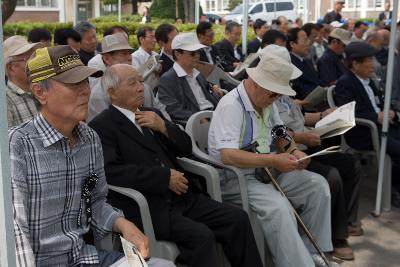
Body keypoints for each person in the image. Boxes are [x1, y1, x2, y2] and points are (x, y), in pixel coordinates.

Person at [11, 45, 174, 267]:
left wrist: (121, 223)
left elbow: (94, 202)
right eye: (73, 83)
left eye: (85, 82)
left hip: (84, 258)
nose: (85, 91)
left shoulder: (89, 137)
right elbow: (15, 230)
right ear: (40, 92)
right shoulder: (17, 145)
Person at [88, 63, 264, 267]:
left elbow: (186, 147)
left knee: (237, 218)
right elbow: (111, 172)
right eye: (132, 83)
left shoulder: (151, 114)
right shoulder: (102, 126)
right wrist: (163, 178)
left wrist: (163, 126)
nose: (141, 88)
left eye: (141, 81)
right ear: (112, 92)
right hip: (151, 206)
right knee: (201, 237)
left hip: (184, 197)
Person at [208, 45, 333, 267]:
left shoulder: (266, 100)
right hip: (236, 178)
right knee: (279, 207)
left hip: (266, 170)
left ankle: (312, 252)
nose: (275, 98)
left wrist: (293, 150)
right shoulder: (231, 106)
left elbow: (279, 132)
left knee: (318, 186)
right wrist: (274, 160)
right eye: (273, 93)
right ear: (256, 83)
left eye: (278, 94)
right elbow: (227, 156)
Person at [275, 95, 362, 260]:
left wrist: (324, 116)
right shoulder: (266, 99)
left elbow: (299, 117)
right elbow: (274, 131)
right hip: (290, 153)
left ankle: (347, 222)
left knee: (350, 164)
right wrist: (299, 139)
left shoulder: (284, 97)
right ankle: (336, 237)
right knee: (331, 176)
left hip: (307, 145)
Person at [334, 41, 400, 208]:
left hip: (381, 126)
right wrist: (376, 116)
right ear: (355, 64)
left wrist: (390, 113)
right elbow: (348, 112)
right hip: (363, 132)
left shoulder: (369, 81)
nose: (373, 64)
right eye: (369, 61)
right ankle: (396, 190)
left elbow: (378, 102)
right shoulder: (345, 83)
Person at [87, 33, 169, 122]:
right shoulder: (99, 93)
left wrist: (165, 127)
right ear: (107, 59)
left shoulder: (144, 86)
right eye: (123, 53)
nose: (130, 57)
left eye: (129, 53)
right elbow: (101, 128)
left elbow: (163, 114)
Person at [158, 33, 222, 124]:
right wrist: (197, 118)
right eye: (192, 53)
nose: (197, 55)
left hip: (214, 114)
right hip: (198, 122)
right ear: (177, 54)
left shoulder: (197, 73)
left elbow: (207, 92)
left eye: (198, 52)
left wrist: (213, 87)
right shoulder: (168, 79)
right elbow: (173, 109)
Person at [4, 35, 43, 128]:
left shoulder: (41, 89)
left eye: (34, 57)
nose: (35, 62)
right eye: (29, 59)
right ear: (11, 68)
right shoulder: (6, 101)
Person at [287, 28, 323, 100]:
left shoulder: (307, 60)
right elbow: (300, 90)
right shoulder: (290, 64)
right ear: (292, 44)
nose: (308, 43)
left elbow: (316, 81)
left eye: (308, 40)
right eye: (305, 40)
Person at [132, 26, 161, 92]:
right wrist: (152, 66)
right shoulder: (134, 57)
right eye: (151, 37)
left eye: (155, 37)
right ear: (141, 39)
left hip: (156, 92)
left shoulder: (156, 55)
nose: (155, 40)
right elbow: (137, 77)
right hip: (143, 93)